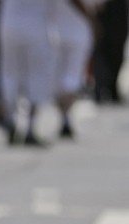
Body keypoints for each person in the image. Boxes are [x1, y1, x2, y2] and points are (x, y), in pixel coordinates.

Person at [0, 0, 56, 146]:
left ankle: (10, 119)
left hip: (9, 24)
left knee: (9, 74)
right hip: (36, 27)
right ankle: (30, 127)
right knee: (36, 77)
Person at [53, 0, 96, 139]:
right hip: (75, 32)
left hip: (56, 31)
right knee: (71, 77)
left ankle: (65, 116)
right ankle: (65, 117)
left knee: (63, 79)